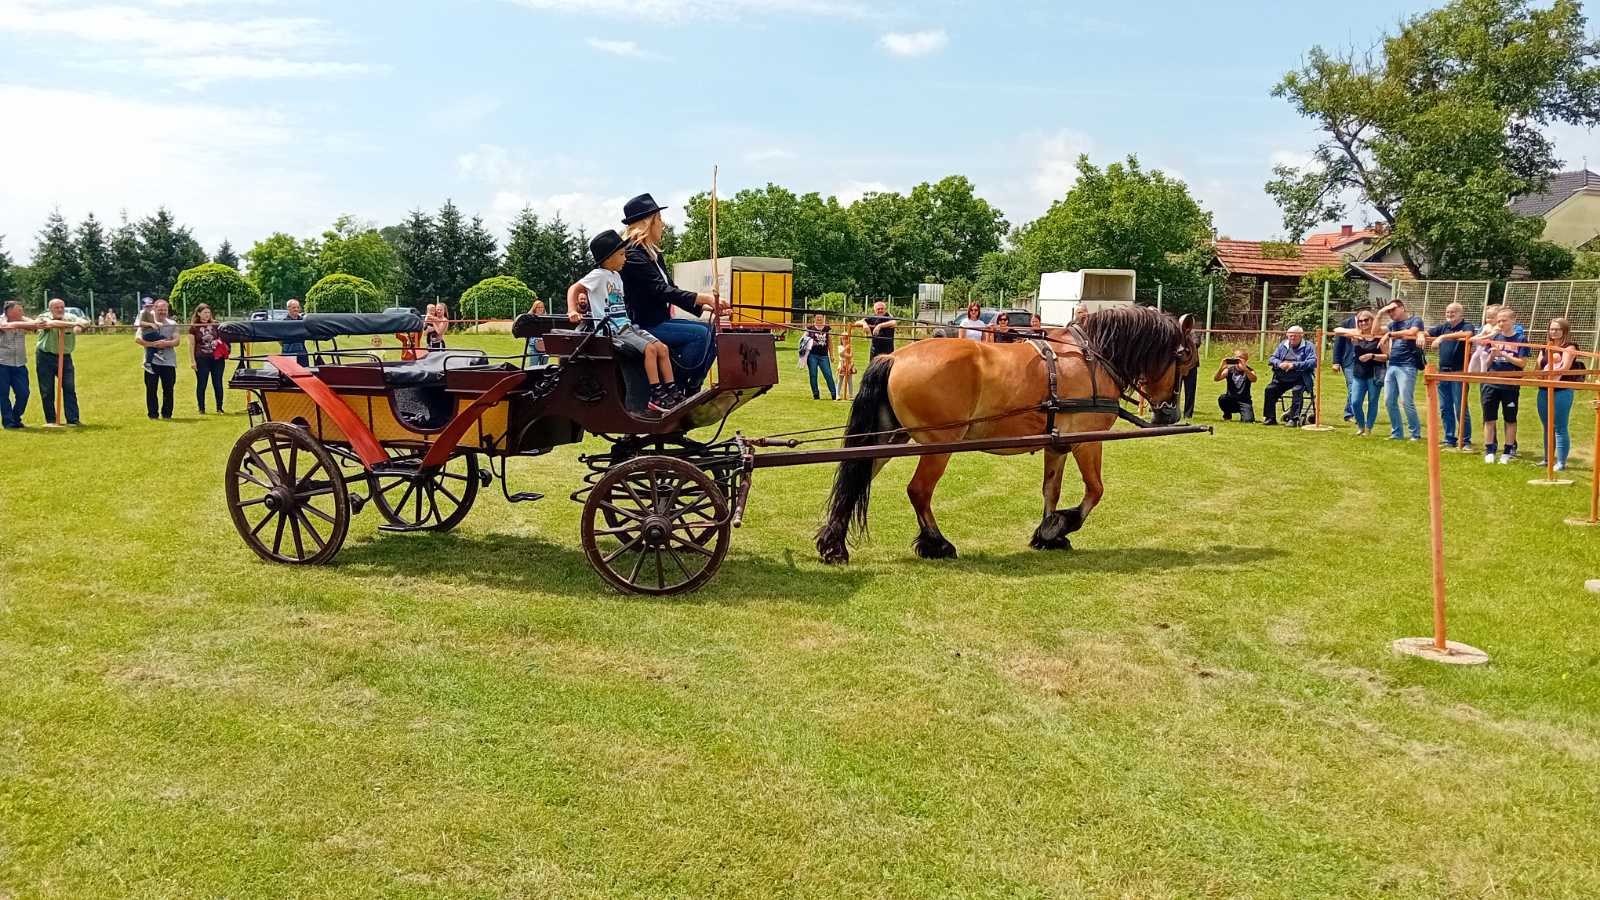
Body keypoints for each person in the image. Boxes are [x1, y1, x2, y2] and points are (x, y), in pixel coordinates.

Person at [570, 229, 683, 415]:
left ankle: (671, 390)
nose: (625, 259)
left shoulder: (617, 278)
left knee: (662, 348)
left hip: (627, 326)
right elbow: (575, 288)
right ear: (608, 258)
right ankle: (655, 394)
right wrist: (572, 309)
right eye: (622, 255)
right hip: (612, 330)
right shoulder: (598, 275)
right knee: (650, 349)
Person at [617, 193, 722, 393]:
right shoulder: (632, 254)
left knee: (711, 332)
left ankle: (691, 386)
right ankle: (682, 387)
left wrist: (706, 306)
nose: (663, 225)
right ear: (648, 222)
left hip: (659, 321)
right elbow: (661, 290)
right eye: (660, 220)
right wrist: (705, 297)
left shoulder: (652, 253)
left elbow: (671, 289)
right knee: (701, 335)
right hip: (644, 324)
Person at [1420, 302, 1476, 449]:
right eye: (1448, 312)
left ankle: (1465, 440)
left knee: (1460, 407)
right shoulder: (1443, 326)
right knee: (1445, 407)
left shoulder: (1466, 325)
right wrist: (1420, 334)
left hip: (1459, 372)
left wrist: (1443, 337)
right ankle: (1449, 438)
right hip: (1442, 372)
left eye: (1453, 312)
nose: (1449, 315)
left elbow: (1467, 334)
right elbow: (1427, 333)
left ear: (1461, 314)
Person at [1478, 306, 1527, 464]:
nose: (1501, 323)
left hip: (1510, 385)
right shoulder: (1494, 337)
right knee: (1489, 418)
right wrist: (1492, 355)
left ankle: (1508, 450)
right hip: (1491, 383)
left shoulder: (1520, 339)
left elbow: (1522, 363)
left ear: (1513, 320)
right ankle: (1489, 449)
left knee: (1510, 419)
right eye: (1498, 321)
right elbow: (1485, 363)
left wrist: (1504, 354)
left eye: (1504, 320)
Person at [1535, 317, 1585, 472]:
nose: (1553, 332)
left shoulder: (1569, 347)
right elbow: (1537, 369)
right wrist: (1542, 376)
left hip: (1562, 391)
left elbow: (1564, 368)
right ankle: (1547, 459)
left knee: (1560, 427)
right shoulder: (1545, 348)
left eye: (1557, 329)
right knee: (1547, 426)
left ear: (1564, 331)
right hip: (1543, 390)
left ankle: (1561, 462)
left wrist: (1550, 377)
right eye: (1551, 329)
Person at [1334, 310, 1388, 436]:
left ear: (1372, 320)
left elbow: (1387, 356)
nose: (1363, 323)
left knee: (1372, 401)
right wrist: (1353, 333)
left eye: (1366, 320)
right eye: (1360, 321)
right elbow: (1337, 330)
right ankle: (1361, 426)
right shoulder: (1357, 333)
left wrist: (1372, 356)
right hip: (1359, 372)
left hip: (1375, 373)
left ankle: (1368, 428)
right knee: (1355, 401)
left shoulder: (1379, 334)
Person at [1379, 298, 1426, 441]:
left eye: (1393, 310)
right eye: (1389, 311)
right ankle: (1397, 433)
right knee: (1388, 401)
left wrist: (1390, 334)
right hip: (1392, 364)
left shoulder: (1415, 320)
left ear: (1402, 308)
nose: (1390, 313)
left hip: (1408, 365)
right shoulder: (1392, 325)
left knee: (1406, 401)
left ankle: (1415, 433)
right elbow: (1374, 330)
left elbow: (1412, 332)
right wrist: (1380, 313)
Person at [35, 298, 86, 426]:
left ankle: (73, 419)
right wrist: (72, 324)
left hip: (65, 357)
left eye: (62, 307)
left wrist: (79, 325)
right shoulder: (43, 316)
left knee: (69, 388)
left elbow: (84, 321)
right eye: (56, 307)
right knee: (47, 390)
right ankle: (51, 420)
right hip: (45, 356)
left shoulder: (70, 316)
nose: (60, 310)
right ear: (50, 309)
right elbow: (50, 324)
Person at [135, 298, 181, 420]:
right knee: (151, 389)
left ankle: (167, 414)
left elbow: (176, 341)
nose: (162, 312)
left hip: (169, 362)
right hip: (151, 362)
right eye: (160, 309)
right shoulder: (146, 322)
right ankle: (153, 414)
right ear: (154, 309)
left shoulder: (172, 324)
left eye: (164, 310)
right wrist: (153, 345)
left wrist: (165, 344)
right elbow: (138, 339)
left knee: (168, 389)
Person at [1262, 325, 1317, 426]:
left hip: (1301, 377)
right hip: (1282, 377)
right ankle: (1270, 418)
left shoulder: (1309, 346)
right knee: (1270, 389)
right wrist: (1280, 364)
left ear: (1301, 336)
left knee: (1297, 390)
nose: (1292, 338)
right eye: (1290, 336)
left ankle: (1294, 419)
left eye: (1295, 336)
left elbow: (1313, 362)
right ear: (1287, 335)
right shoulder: (1283, 345)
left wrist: (1294, 365)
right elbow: (1272, 358)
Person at [1, 300, 40, 428]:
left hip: (20, 364)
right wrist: (24, 323)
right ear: (9, 311)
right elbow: (6, 326)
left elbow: (36, 325)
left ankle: (15, 417)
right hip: (2, 363)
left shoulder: (23, 321)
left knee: (24, 393)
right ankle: (9, 422)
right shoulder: (1, 320)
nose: (22, 312)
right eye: (19, 310)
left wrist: (26, 321)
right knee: (3, 394)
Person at [189, 304, 226, 414]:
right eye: (204, 312)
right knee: (202, 383)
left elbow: (223, 339)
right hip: (201, 358)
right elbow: (191, 345)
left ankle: (219, 407)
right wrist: (192, 361)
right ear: (199, 313)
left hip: (217, 358)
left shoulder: (216, 325)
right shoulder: (193, 327)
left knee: (218, 383)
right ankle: (201, 408)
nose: (207, 315)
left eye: (208, 313)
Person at [1213, 349, 1257, 422]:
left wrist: (1245, 369)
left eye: (1241, 358)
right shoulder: (1229, 370)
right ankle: (1227, 414)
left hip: (1244, 401)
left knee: (1248, 420)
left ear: (1246, 360)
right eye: (1236, 357)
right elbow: (1216, 379)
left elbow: (1254, 379)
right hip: (1231, 400)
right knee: (1222, 398)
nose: (1238, 360)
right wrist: (1221, 369)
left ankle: (1244, 414)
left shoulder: (1250, 371)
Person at [1331, 311, 1359, 421]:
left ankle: (1349, 413)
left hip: (1364, 360)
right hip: (1349, 361)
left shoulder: (1370, 323)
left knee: (1358, 387)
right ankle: (1354, 414)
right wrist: (1336, 362)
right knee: (1352, 386)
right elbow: (1338, 343)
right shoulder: (1346, 323)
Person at [804, 313, 837, 400]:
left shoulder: (826, 328)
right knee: (813, 375)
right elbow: (803, 339)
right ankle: (816, 394)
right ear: (814, 318)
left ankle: (834, 394)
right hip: (812, 356)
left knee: (828, 374)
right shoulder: (810, 328)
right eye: (817, 317)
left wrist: (832, 355)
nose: (819, 318)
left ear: (823, 318)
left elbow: (830, 342)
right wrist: (810, 341)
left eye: (821, 317)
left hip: (824, 356)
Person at [281, 298, 309, 366]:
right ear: (288, 308)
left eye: (298, 307)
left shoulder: (303, 321)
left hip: (301, 351)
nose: (296, 309)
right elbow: (279, 339)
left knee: (305, 370)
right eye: (294, 307)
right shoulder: (283, 322)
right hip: (288, 351)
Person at [837, 324, 856, 402]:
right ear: (841, 340)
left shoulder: (850, 347)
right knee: (840, 380)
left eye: (847, 338)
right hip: (842, 364)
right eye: (844, 339)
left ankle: (851, 395)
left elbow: (850, 356)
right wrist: (846, 349)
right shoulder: (840, 347)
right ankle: (837, 394)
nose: (845, 340)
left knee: (850, 381)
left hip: (849, 365)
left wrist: (851, 365)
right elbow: (841, 354)